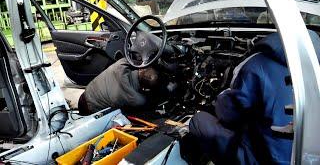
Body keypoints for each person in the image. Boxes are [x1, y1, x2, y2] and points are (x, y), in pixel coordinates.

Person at [187, 30, 320, 164]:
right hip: (308, 156)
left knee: (198, 121)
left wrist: (221, 96)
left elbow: (227, 114)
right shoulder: (315, 67)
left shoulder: (257, 65)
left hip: (265, 159)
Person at [78, 58, 159, 115]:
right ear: (146, 88)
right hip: (91, 110)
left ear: (141, 69)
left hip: (84, 95)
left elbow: (132, 59)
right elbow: (149, 102)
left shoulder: (121, 65)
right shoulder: (137, 99)